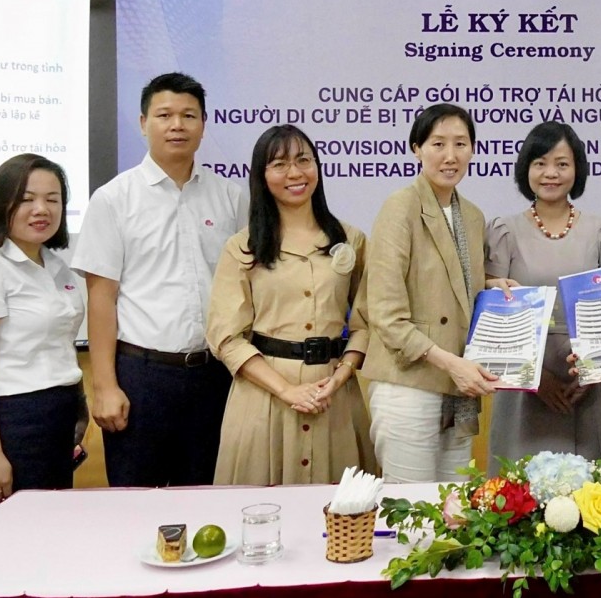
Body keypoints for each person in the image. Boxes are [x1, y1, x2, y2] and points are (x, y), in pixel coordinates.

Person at [72, 73, 247, 487]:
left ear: (204, 124)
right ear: (142, 122)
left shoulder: (231, 197)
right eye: (164, 114)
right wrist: (105, 386)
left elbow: (246, 284)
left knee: (211, 495)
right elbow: (101, 300)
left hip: (215, 374)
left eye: (189, 115)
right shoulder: (114, 198)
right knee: (137, 498)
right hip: (142, 375)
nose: (177, 125)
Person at [207, 125, 377, 484]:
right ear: (262, 175)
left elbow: (367, 321)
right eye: (280, 164)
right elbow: (226, 336)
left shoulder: (352, 240)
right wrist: (287, 390)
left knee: (342, 520)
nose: (295, 173)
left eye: (304, 160)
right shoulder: (242, 247)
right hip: (264, 399)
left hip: (335, 396)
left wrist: (341, 375)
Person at [358, 104, 509, 483]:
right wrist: (451, 364)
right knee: (410, 513)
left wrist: (492, 287)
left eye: (461, 144)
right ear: (416, 148)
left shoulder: (471, 215)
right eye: (438, 143)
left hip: (457, 387)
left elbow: (453, 288)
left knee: (453, 512)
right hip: (408, 383)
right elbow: (386, 316)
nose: (450, 155)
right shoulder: (400, 207)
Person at [0, 154, 84, 522]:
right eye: (27, 199)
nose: (41, 209)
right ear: (1, 203)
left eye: (53, 199)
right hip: (11, 422)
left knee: (47, 533)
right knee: (4, 539)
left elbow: (57, 343)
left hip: (56, 418)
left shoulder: (56, 266)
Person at [485, 121, 601, 470]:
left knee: (592, 496)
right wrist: (536, 380)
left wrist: (591, 372)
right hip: (522, 381)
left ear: (577, 169)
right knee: (518, 492)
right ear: (525, 168)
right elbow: (495, 317)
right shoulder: (505, 231)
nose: (551, 173)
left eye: (562, 164)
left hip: (586, 380)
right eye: (540, 163)